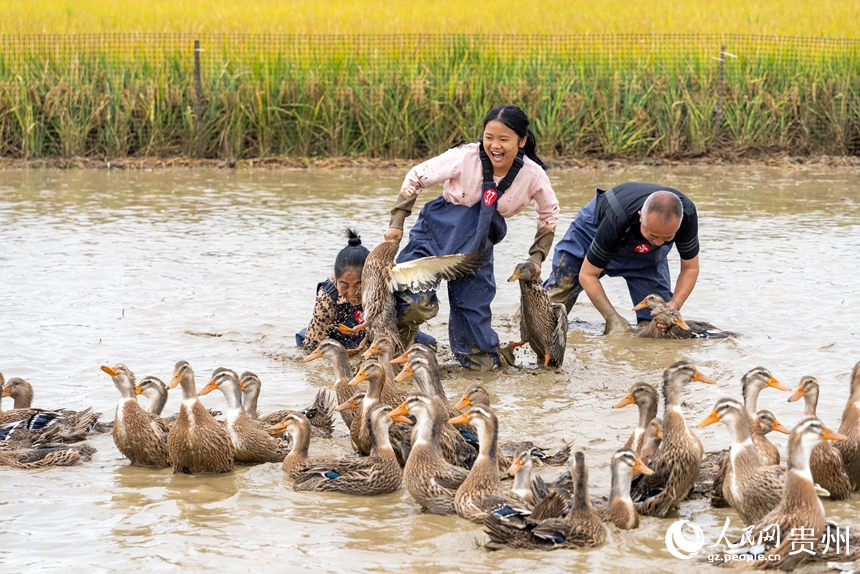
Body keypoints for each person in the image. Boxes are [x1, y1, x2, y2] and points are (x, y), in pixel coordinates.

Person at [383, 105, 560, 370]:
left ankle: (477, 361)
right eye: (489, 137)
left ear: (522, 141)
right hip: (435, 235)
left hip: (477, 248)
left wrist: (536, 257)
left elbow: (549, 213)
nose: (495, 146)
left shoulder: (533, 175)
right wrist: (397, 224)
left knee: (479, 347)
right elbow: (416, 177)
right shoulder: (465, 157)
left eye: (504, 139)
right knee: (412, 302)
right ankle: (400, 349)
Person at [544, 182, 700, 334]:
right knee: (550, 306)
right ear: (640, 217)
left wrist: (675, 304)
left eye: (667, 238)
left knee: (658, 325)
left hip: (647, 258)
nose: (659, 242)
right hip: (594, 230)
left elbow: (690, 267)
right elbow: (587, 274)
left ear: (678, 225)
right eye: (653, 235)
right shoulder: (616, 218)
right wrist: (612, 318)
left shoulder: (687, 216)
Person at [297, 230, 438, 354]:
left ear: (370, 279)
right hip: (342, 338)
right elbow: (312, 345)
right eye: (344, 285)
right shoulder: (328, 295)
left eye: (359, 284)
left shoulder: (385, 284)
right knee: (304, 341)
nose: (352, 292)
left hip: (382, 332)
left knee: (428, 346)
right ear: (336, 280)